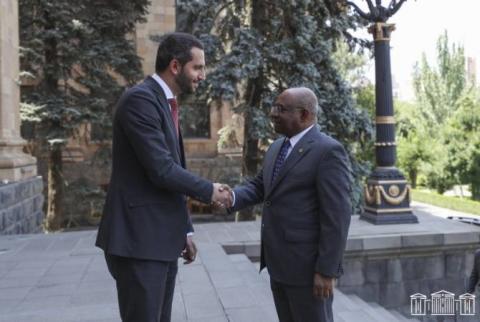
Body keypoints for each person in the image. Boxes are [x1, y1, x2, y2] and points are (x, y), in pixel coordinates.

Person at [95, 32, 230, 322]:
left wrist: (185, 229)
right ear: (175, 66)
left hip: (160, 239)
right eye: (198, 67)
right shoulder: (140, 100)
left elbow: (170, 171)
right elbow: (162, 169)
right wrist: (209, 190)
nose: (202, 76)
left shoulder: (165, 102)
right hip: (139, 241)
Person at [226, 87, 352, 322]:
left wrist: (326, 271)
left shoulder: (328, 151)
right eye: (273, 107)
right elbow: (260, 187)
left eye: (281, 109)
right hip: (279, 265)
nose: (273, 114)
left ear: (304, 115)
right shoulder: (277, 147)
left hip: (307, 270)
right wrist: (230, 198)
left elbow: (337, 216)